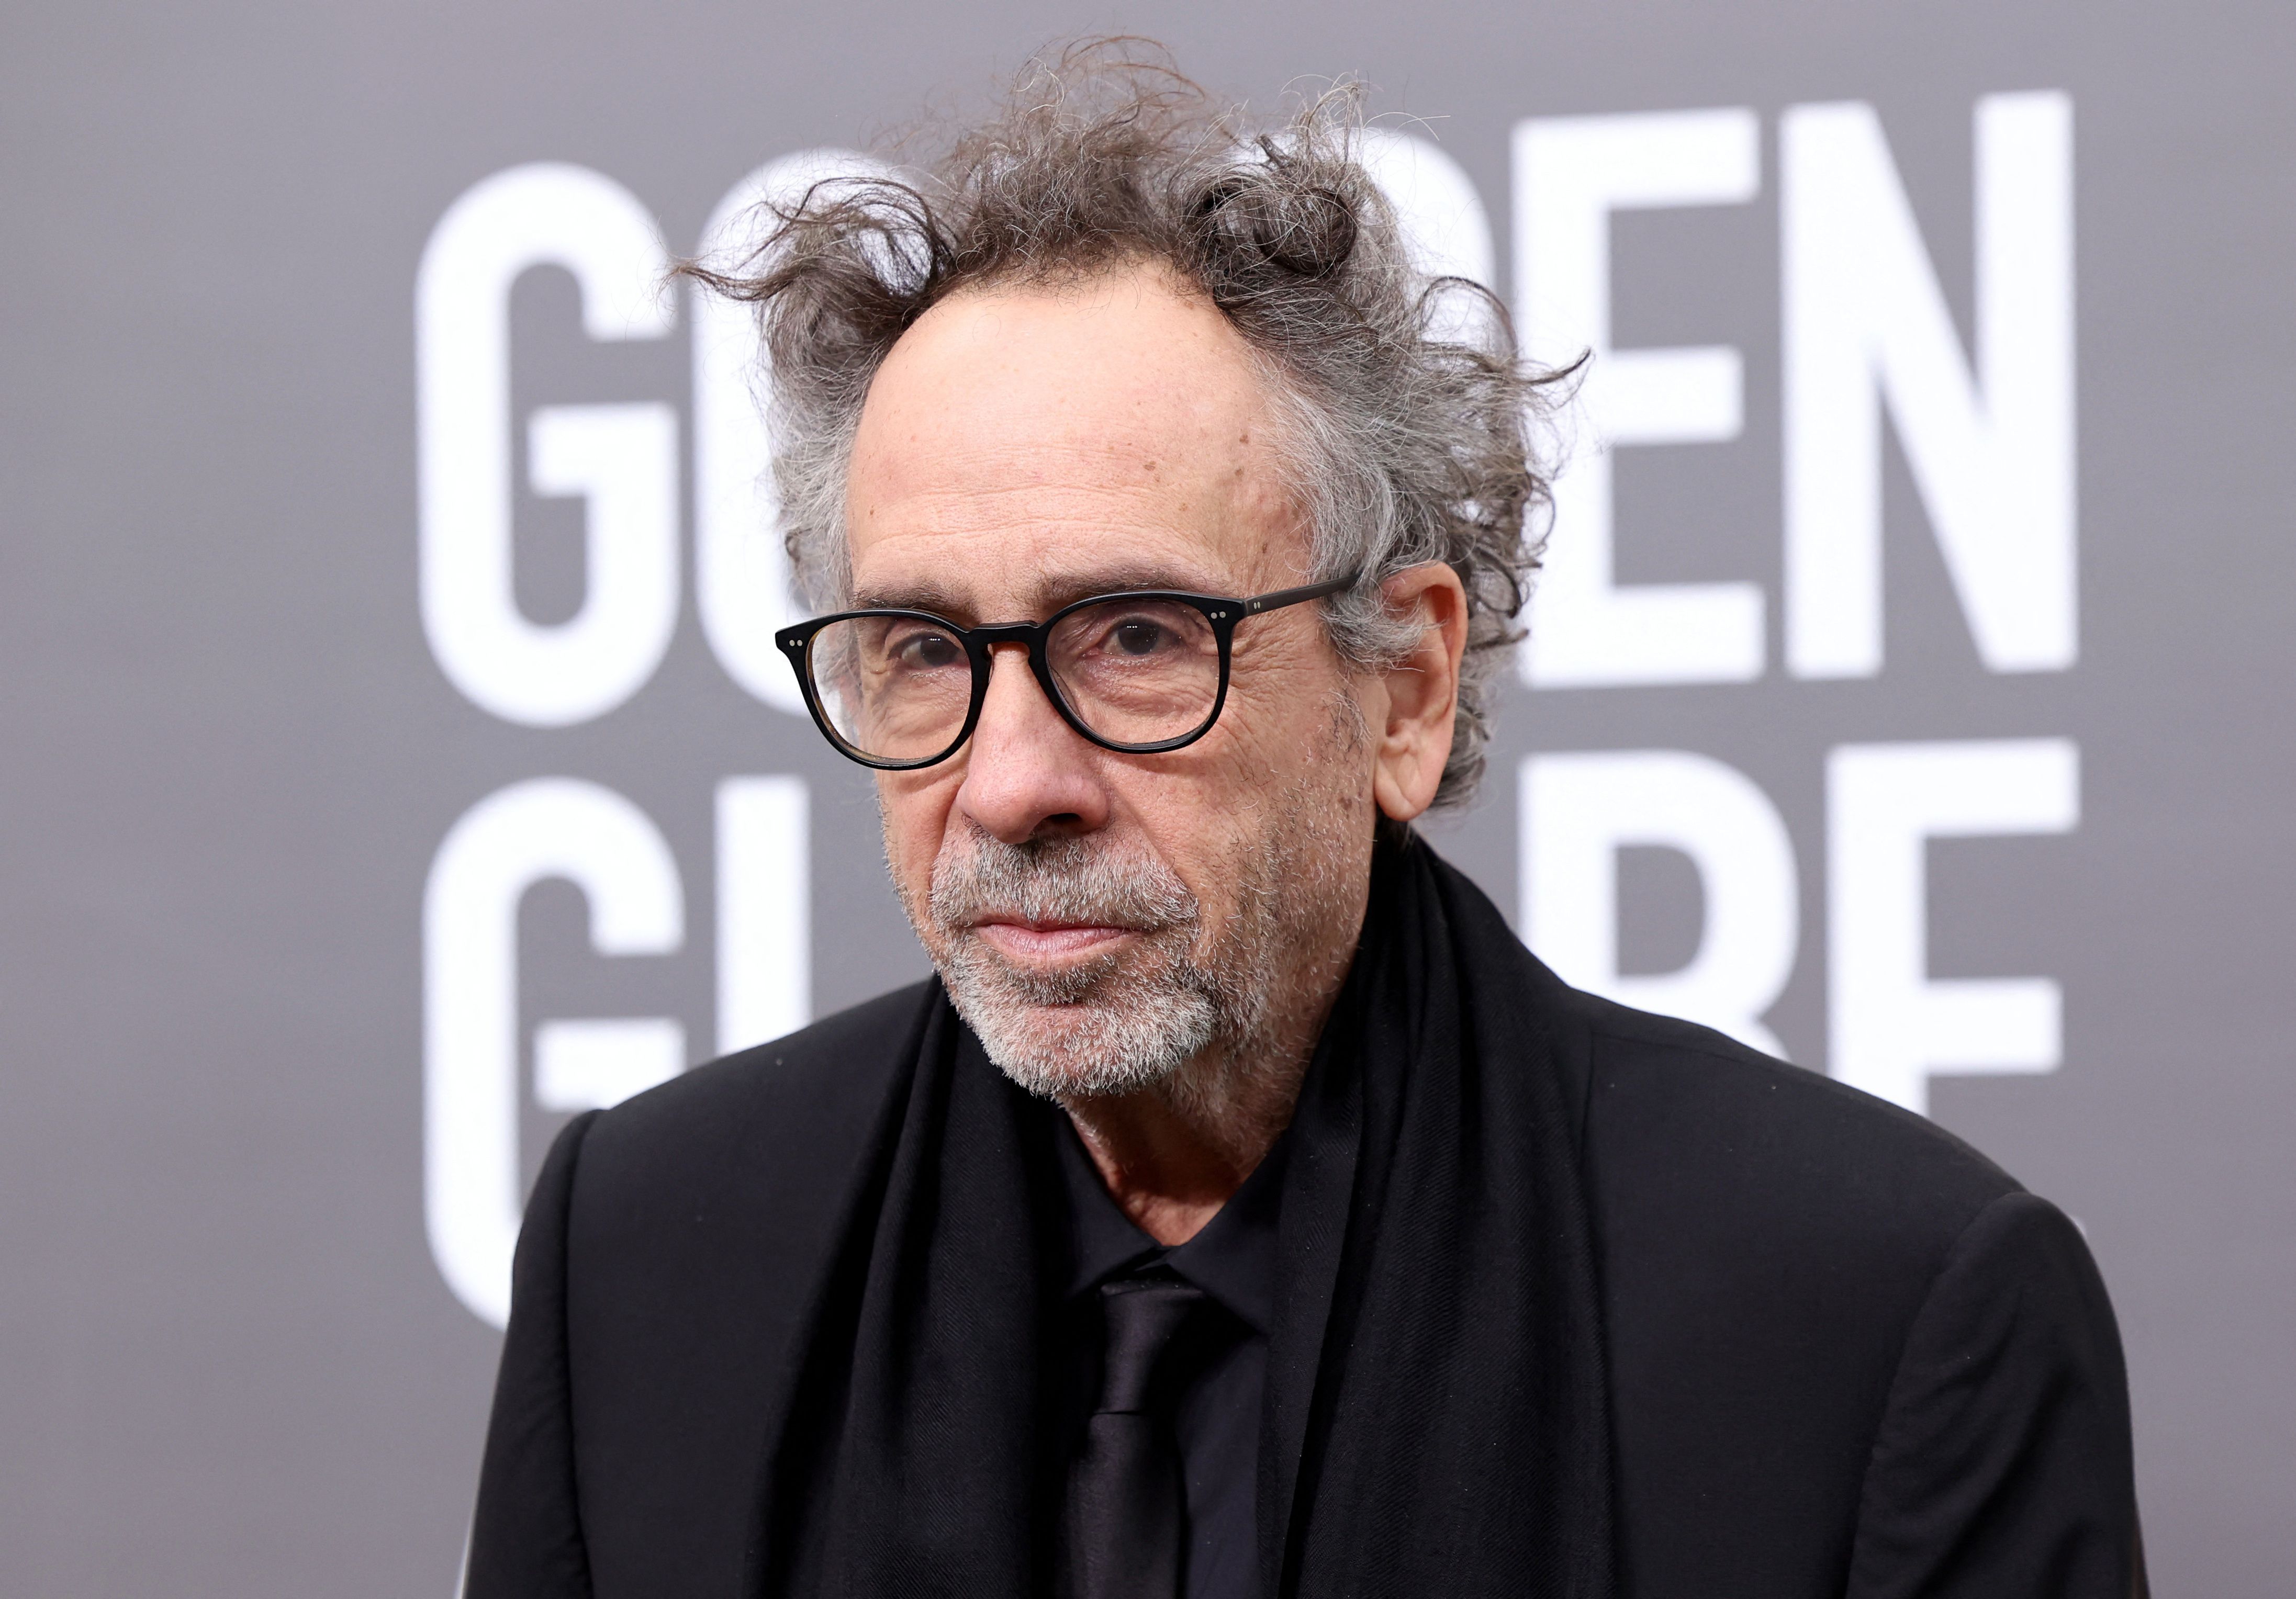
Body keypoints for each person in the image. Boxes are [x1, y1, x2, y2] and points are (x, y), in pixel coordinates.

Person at [463, 46, 2143, 1599]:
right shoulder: (644, 1266)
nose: (1006, 784)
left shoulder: (1875, 1319)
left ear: (1401, 689)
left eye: (1133, 638)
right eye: (921, 652)